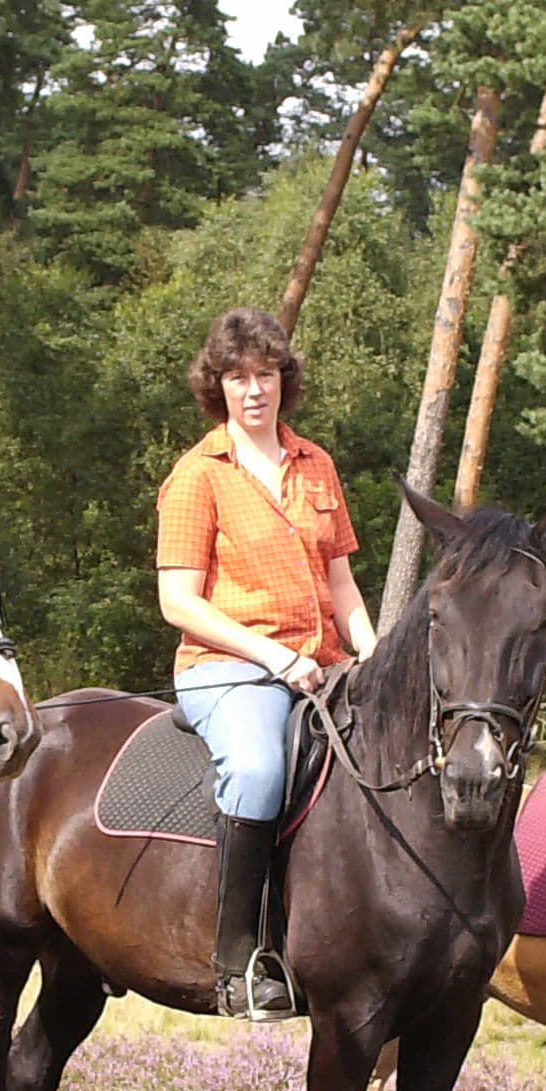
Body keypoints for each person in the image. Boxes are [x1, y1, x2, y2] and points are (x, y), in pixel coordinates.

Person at [156, 307, 375, 1019]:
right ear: (215, 386)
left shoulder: (317, 465)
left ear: (286, 379)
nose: (254, 389)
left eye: (267, 374)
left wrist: (374, 659)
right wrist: (275, 657)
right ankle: (239, 962)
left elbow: (341, 583)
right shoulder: (197, 476)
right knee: (259, 771)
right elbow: (178, 602)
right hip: (229, 667)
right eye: (238, 376)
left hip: (325, 662)